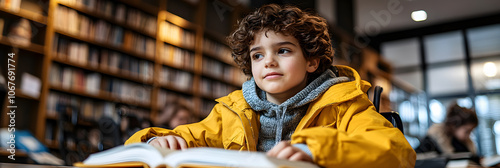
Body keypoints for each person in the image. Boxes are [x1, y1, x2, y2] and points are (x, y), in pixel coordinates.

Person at [126, 4, 416, 167]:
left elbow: (396, 150)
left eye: (284, 51)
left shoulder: (345, 104)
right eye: (258, 55)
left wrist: (315, 150)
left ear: (312, 61)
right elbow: (189, 135)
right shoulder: (231, 111)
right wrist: (155, 141)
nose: (269, 62)